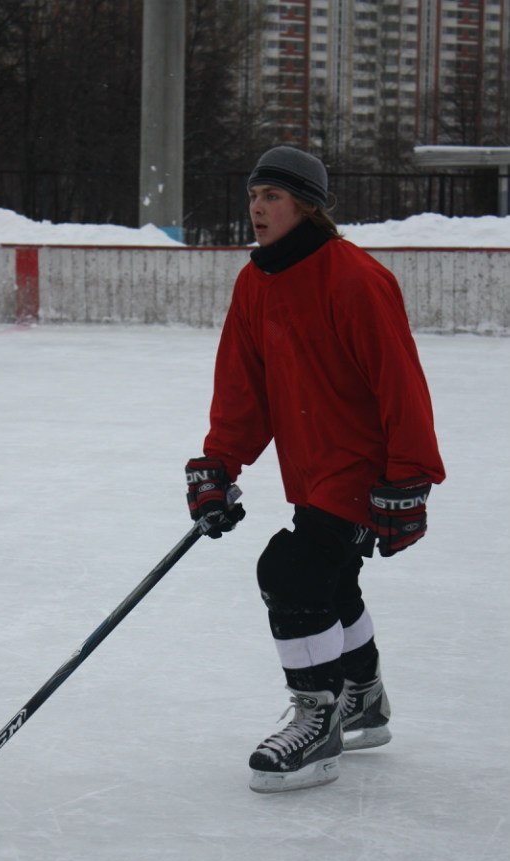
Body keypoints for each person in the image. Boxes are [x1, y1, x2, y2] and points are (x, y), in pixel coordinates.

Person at [184, 145, 445, 794]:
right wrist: (218, 462)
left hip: (365, 468)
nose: (256, 208)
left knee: (293, 572)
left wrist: (408, 480)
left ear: (306, 205)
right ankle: (364, 699)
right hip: (313, 471)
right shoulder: (257, 282)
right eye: (252, 196)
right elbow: (244, 388)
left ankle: (319, 718)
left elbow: (400, 384)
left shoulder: (355, 279)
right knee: (331, 581)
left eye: (271, 196)